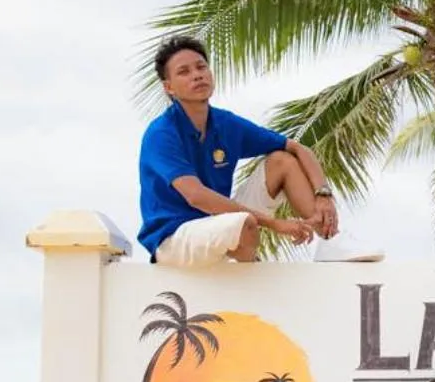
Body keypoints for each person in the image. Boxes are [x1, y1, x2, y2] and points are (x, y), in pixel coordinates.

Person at [137, 34, 344, 267]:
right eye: (184, 72)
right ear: (169, 87)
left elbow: (297, 148)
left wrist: (323, 194)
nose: (197, 75)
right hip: (176, 239)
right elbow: (196, 196)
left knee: (282, 161)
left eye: (201, 67)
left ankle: (331, 240)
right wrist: (276, 224)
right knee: (245, 223)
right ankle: (249, 274)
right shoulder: (161, 133)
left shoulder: (225, 124)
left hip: (217, 225)